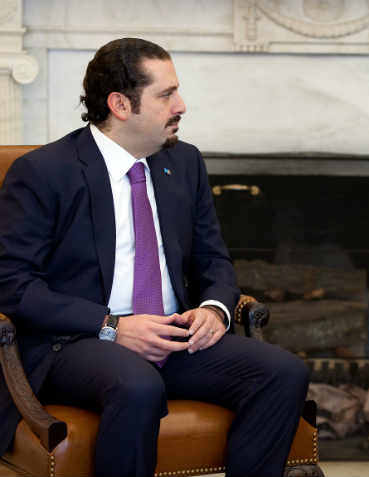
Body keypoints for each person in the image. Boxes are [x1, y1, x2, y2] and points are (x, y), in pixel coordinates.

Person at [0, 38, 309, 477]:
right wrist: (112, 327)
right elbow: (14, 286)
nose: (180, 105)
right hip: (77, 342)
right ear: (121, 104)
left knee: (283, 372)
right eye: (166, 95)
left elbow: (213, 259)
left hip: (173, 334)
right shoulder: (44, 172)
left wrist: (215, 310)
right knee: (137, 384)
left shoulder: (183, 163)